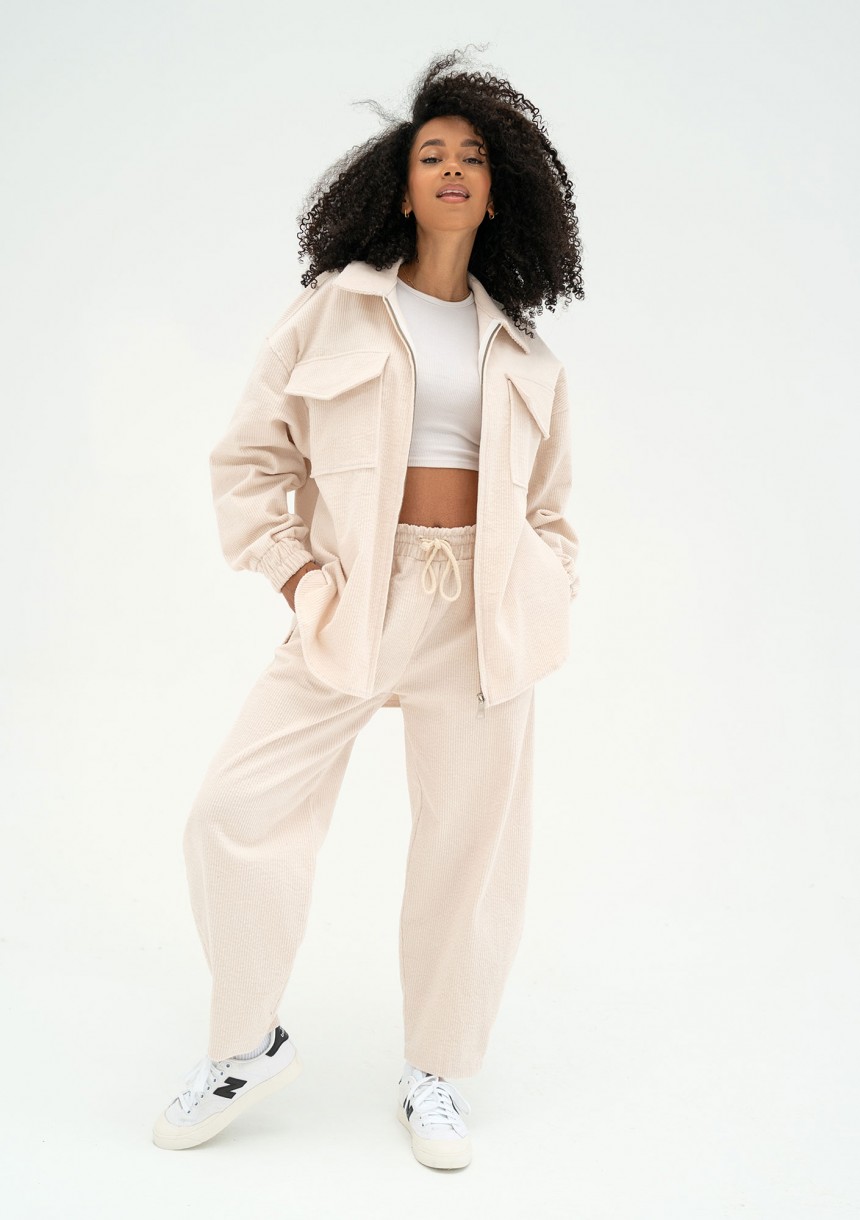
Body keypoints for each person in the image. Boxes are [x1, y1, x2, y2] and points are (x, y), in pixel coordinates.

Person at [152, 48, 584, 1169]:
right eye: (431, 154)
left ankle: (434, 1069)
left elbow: (551, 508)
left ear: (499, 193)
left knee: (469, 847)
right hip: (355, 596)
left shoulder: (525, 353)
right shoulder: (332, 312)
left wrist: (544, 586)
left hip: (484, 614)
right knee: (230, 811)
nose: (452, 168)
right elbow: (249, 459)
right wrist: (302, 578)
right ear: (399, 187)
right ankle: (245, 1042)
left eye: (473, 156)